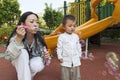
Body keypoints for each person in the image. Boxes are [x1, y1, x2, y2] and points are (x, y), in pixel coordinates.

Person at [4, 11, 51, 80]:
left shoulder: (39, 39)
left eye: (37, 22)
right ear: (23, 24)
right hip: (18, 59)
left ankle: (27, 76)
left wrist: (46, 58)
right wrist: (19, 39)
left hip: (31, 60)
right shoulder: (16, 36)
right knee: (23, 53)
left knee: (38, 64)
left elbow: (45, 60)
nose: (36, 25)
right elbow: (9, 57)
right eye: (32, 22)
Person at [57, 15, 82, 80]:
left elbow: (78, 46)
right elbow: (59, 48)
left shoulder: (76, 36)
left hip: (75, 60)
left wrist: (79, 54)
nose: (72, 28)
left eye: (74, 26)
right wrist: (60, 57)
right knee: (65, 77)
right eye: (70, 26)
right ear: (64, 27)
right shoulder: (62, 36)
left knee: (76, 76)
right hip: (65, 61)